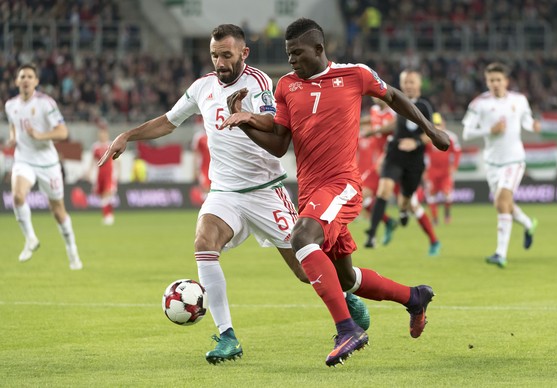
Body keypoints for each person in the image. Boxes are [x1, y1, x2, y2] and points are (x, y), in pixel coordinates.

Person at [97, 24, 369, 365]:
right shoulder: (201, 88)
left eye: (226, 55)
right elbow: (169, 121)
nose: (220, 62)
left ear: (244, 53)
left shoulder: (259, 84)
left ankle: (345, 294)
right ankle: (227, 336)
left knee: (304, 271)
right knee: (203, 244)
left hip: (265, 192)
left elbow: (275, 128)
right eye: (214, 55)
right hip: (224, 192)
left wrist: (246, 115)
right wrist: (127, 135)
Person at [220, 18, 450, 366]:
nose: (292, 60)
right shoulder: (286, 86)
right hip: (311, 192)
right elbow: (280, 144)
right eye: (288, 54)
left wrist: (430, 129)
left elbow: (394, 97)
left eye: (297, 53)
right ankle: (414, 297)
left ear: (318, 48)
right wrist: (246, 120)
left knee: (301, 239)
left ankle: (347, 329)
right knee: (346, 278)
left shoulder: (355, 74)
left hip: (341, 184)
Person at [5, 63, 83, 270]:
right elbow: (14, 125)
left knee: (57, 211)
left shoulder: (46, 103)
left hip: (48, 163)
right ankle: (30, 238)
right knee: (18, 196)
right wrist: (13, 138)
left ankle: (72, 249)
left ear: (36, 81)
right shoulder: (10, 105)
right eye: (22, 76)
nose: (26, 80)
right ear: (16, 81)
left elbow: (63, 132)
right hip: (24, 160)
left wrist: (40, 135)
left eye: (30, 76)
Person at [462, 62, 540, 268]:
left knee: (501, 201)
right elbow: (467, 133)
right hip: (492, 163)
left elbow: (526, 122)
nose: (495, 84)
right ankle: (528, 224)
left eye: (498, 80)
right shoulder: (479, 104)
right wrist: (489, 130)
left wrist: (534, 125)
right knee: (505, 204)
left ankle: (500, 254)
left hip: (514, 160)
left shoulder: (520, 100)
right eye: (491, 80)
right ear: (487, 82)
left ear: (506, 81)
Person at [364, 70, 441, 256]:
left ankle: (433, 240)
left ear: (419, 84)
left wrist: (415, 142)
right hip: (392, 157)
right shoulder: (394, 101)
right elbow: (384, 113)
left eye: (412, 82)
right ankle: (372, 235)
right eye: (405, 82)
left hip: (412, 160)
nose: (408, 85)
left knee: (409, 204)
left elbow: (434, 130)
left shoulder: (425, 106)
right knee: (370, 193)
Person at [358, 98, 398, 245]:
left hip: (393, 162)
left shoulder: (394, 112)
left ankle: (435, 241)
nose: (375, 97)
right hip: (380, 164)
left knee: (409, 205)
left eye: (378, 95)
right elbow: (372, 118)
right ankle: (382, 227)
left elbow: (394, 125)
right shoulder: (375, 110)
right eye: (373, 95)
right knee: (361, 196)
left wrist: (375, 131)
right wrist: (357, 120)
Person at [424, 112, 462, 225]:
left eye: (439, 123)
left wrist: (454, 166)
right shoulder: (428, 138)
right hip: (432, 171)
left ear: (444, 123)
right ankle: (435, 219)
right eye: (435, 124)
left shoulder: (451, 137)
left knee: (447, 194)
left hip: (446, 171)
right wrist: (424, 170)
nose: (438, 126)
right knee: (431, 194)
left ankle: (447, 215)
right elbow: (423, 154)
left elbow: (457, 153)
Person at [87, 120, 117, 225]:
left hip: (109, 174)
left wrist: (118, 173)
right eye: (100, 133)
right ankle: (109, 215)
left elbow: (117, 160)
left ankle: (107, 216)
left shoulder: (111, 145)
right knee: (102, 196)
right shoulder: (95, 147)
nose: (102, 135)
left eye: (104, 133)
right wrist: (89, 172)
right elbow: (92, 161)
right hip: (100, 175)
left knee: (106, 194)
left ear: (106, 134)